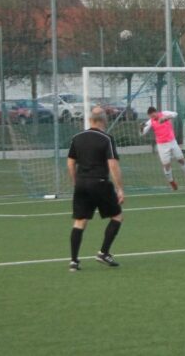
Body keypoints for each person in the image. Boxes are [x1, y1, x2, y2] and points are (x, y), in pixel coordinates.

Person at [67, 107, 125, 272]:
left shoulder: (77, 138)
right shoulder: (106, 139)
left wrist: (76, 182)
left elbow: (70, 163)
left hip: (81, 184)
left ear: (90, 120)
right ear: (104, 121)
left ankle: (74, 261)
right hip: (99, 183)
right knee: (117, 216)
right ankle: (103, 253)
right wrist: (120, 189)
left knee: (80, 221)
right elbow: (113, 165)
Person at [141, 106, 185, 190]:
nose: (153, 117)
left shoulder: (164, 113)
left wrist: (165, 118)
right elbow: (142, 133)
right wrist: (141, 128)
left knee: (181, 160)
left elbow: (175, 114)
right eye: (151, 116)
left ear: (156, 112)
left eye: (153, 115)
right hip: (162, 146)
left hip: (172, 142)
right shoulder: (150, 122)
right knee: (166, 165)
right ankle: (172, 182)